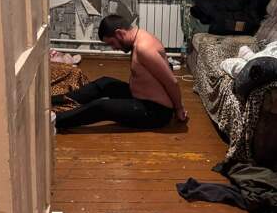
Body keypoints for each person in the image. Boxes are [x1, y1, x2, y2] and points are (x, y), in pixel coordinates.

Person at [53, 14, 188, 130]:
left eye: (112, 43)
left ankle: (54, 121)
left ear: (119, 33)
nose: (114, 48)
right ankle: (57, 100)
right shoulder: (140, 38)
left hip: (155, 113)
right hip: (140, 98)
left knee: (101, 106)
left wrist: (179, 109)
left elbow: (172, 82)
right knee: (105, 83)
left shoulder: (144, 49)